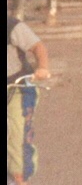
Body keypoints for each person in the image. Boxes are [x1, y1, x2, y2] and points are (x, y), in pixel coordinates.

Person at [7, 16, 50, 184]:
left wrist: (43, 68)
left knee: (18, 141)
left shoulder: (11, 26)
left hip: (17, 89)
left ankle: (20, 178)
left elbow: (38, 47)